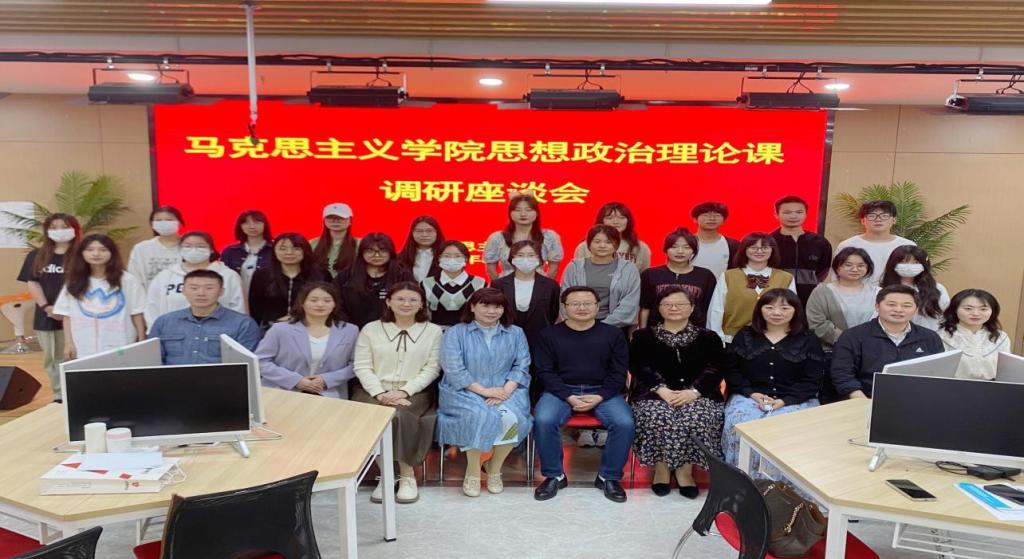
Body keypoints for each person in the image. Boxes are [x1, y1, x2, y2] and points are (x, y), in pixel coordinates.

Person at [532, 287, 633, 503]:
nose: (581, 307)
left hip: (602, 391)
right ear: (564, 307)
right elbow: (544, 371)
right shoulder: (549, 335)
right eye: (575, 303)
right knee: (544, 419)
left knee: (624, 422)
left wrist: (600, 396)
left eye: (587, 303)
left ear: (597, 307)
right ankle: (554, 475)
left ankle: (608, 477)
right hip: (561, 390)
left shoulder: (613, 334)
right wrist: (568, 396)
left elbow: (618, 373)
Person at [630, 286, 726, 499]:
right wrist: (661, 389)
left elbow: (716, 368)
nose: (674, 308)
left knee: (697, 416)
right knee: (657, 415)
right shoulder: (643, 336)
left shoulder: (708, 337)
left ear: (691, 307)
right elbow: (639, 367)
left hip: (699, 393)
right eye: (667, 304)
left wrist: (695, 392)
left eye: (680, 304)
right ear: (659, 308)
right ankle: (661, 469)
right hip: (655, 393)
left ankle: (685, 471)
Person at [353, 282, 443, 504]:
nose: (406, 304)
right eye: (400, 299)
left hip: (414, 391)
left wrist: (404, 390)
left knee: (400, 416)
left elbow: (432, 368)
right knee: (374, 417)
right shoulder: (371, 329)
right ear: (388, 302)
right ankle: (386, 475)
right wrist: (380, 393)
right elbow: (362, 366)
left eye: (413, 300)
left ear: (421, 304)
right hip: (373, 390)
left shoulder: (432, 331)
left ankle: (407, 475)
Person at [437, 288, 532, 497]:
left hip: (506, 389)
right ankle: (472, 471)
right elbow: (454, 369)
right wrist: (485, 391)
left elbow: (522, 365)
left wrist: (504, 391)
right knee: (478, 415)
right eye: (485, 305)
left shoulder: (516, 333)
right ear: (472, 307)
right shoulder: (456, 333)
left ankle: (493, 468)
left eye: (497, 306)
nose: (491, 311)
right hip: (464, 389)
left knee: (514, 418)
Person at [721, 288, 825, 464]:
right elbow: (732, 370)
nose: (776, 313)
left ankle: (785, 480)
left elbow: (813, 379)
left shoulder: (808, 339)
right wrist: (752, 394)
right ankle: (742, 475)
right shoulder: (745, 336)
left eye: (784, 308)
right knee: (741, 424)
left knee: (791, 429)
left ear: (796, 310)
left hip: (795, 399)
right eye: (769, 307)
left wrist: (785, 401)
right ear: (760, 309)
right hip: (750, 397)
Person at [830, 285, 945, 398]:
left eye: (906, 306)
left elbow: (939, 372)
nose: (898, 310)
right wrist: (863, 402)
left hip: (917, 398)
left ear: (916, 309)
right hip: (867, 398)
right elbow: (842, 374)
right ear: (877, 307)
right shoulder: (853, 336)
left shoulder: (929, 337)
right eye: (891, 304)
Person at [16, 213, 81, 401]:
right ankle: (59, 395)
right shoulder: (36, 256)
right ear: (47, 231)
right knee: (53, 358)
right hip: (47, 315)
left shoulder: (82, 255)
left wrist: (68, 310)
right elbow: (32, 282)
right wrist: (47, 307)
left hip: (78, 316)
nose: (59, 231)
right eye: (54, 227)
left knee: (74, 355)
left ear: (75, 229)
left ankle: (78, 393)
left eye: (64, 226)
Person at [256, 282, 359, 398]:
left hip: (329, 394)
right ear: (302, 303)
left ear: (334, 304)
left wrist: (326, 379)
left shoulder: (350, 331)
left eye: (327, 300)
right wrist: (296, 380)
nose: (320, 304)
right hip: (282, 393)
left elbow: (356, 365)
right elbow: (260, 361)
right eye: (313, 300)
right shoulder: (280, 329)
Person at [53, 234, 145, 359]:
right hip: (83, 345)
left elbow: (137, 313)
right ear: (82, 253)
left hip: (121, 343)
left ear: (112, 253)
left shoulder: (127, 280)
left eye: (103, 250)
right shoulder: (73, 281)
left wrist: (141, 341)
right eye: (90, 250)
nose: (96, 254)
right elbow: (67, 315)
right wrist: (68, 343)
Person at [148, 270, 261, 365]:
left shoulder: (243, 324)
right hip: (171, 382)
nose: (201, 293)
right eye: (194, 288)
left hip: (222, 383)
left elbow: (246, 365)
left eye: (209, 288)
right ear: (183, 291)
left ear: (221, 291)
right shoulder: (164, 322)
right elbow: (152, 360)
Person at [707, 233, 796, 344]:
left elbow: (791, 310)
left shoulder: (786, 278)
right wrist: (717, 340)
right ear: (744, 249)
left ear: (772, 250)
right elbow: (716, 310)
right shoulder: (728, 276)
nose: (759, 251)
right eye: (753, 247)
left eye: (765, 247)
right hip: (732, 339)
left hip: (773, 340)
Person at [144, 231, 244, 328]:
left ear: (211, 249)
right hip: (172, 333)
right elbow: (152, 306)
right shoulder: (165, 276)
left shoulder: (228, 275)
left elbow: (238, 307)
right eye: (187, 246)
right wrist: (155, 331)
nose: (194, 250)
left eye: (200, 246)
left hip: (218, 332)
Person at [559, 224, 641, 331]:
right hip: (578, 324)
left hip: (615, 327)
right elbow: (564, 298)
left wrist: (603, 327)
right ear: (589, 244)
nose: (602, 246)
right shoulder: (574, 267)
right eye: (597, 242)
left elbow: (630, 302)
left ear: (616, 245)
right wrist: (580, 323)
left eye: (608, 242)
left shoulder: (628, 269)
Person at [639, 227, 716, 328]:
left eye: (686, 247)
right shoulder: (650, 274)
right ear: (666, 250)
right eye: (674, 247)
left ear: (693, 251)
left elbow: (710, 309)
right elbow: (645, 308)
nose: (680, 251)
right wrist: (642, 332)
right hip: (656, 331)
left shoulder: (706, 276)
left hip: (695, 332)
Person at [335, 233, 415, 328]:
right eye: (370, 251)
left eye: (383, 250)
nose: (376, 255)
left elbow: (414, 301)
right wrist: (349, 326)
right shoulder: (347, 275)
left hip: (394, 329)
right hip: (353, 329)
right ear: (361, 252)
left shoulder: (402, 275)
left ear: (391, 252)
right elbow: (336, 302)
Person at [806, 248, 879, 350]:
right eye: (848, 265)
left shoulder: (878, 293)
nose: (855, 269)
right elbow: (817, 323)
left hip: (871, 349)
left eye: (861, 265)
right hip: (833, 351)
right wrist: (848, 341)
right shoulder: (821, 292)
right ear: (837, 267)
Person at [248, 233, 321, 329]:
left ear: (305, 250)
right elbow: (255, 307)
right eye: (282, 249)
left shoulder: (319, 274)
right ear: (274, 251)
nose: (289, 252)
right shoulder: (262, 275)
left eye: (296, 248)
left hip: (311, 328)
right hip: (271, 328)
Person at [834, 200, 916, 286]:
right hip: (856, 292)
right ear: (862, 220)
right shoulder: (847, 245)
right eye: (872, 216)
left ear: (894, 220)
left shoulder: (907, 246)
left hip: (896, 293)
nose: (878, 219)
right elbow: (836, 276)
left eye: (884, 216)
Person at [483, 193, 564, 279]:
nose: (523, 214)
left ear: (537, 213)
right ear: (510, 213)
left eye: (528, 210)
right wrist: (501, 285)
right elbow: (491, 269)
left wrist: (544, 285)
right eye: (517, 210)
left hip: (539, 283)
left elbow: (554, 268)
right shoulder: (497, 238)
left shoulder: (549, 236)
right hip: (506, 284)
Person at [770, 195, 832, 306]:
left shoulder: (820, 242)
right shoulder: (769, 241)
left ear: (806, 214)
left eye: (799, 212)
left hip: (810, 299)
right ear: (776, 214)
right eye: (787, 212)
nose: (793, 216)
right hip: (775, 298)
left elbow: (824, 269)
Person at [939, 289, 1010, 380]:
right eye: (968, 309)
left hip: (993, 387)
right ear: (955, 309)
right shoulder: (940, 336)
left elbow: (1006, 371)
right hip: (951, 386)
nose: (975, 314)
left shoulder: (1001, 337)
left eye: (983, 309)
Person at [880, 245, 949, 331]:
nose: (909, 266)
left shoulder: (937, 289)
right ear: (893, 264)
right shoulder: (881, 289)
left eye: (916, 262)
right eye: (903, 262)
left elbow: (945, 315)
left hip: (929, 336)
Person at [420, 240, 486, 328]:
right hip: (436, 332)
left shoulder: (480, 283)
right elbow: (423, 313)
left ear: (466, 259)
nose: (452, 260)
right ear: (439, 258)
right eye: (446, 256)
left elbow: (483, 312)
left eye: (457, 256)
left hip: (469, 332)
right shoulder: (427, 283)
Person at [572, 201, 652, 272]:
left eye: (622, 218)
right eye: (609, 218)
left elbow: (644, 277)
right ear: (601, 220)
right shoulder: (584, 246)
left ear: (628, 221)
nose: (616, 222)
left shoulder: (641, 247)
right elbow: (577, 274)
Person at [127, 205, 183, 289]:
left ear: (180, 223)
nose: (164, 223)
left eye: (169, 220)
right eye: (158, 220)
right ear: (152, 225)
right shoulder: (141, 248)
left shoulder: (190, 246)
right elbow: (134, 278)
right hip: (150, 296)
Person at [220, 210, 273, 295]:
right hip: (237, 297)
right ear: (240, 226)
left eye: (257, 222)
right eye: (246, 223)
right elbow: (223, 277)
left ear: (265, 225)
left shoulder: (275, 250)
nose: (252, 227)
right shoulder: (230, 252)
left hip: (268, 297)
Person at [689, 202, 739, 281]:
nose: (712, 219)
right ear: (695, 219)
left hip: (721, 288)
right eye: (706, 215)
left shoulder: (733, 245)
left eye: (717, 215)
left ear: (724, 220)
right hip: (689, 287)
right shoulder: (685, 243)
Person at [311, 202, 359, 279]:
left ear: (350, 220)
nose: (335, 221)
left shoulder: (360, 244)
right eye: (330, 217)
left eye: (341, 217)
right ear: (324, 220)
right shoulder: (312, 244)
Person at [397, 216, 445, 282]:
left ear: (437, 233)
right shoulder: (400, 258)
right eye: (419, 231)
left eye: (429, 231)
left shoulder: (447, 256)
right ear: (412, 233)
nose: (424, 235)